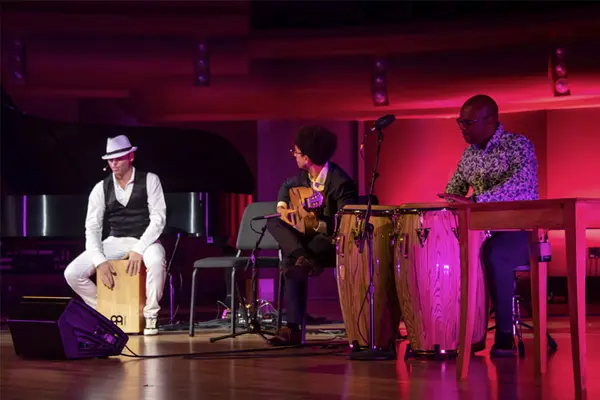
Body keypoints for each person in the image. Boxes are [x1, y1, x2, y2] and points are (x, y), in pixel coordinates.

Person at [439, 94, 539, 356]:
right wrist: (449, 201)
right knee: (445, 251)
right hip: (482, 230)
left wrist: (474, 201)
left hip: (520, 231)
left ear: (491, 120)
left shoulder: (518, 145)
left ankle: (505, 334)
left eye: (468, 122)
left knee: (494, 253)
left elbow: (520, 187)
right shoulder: (469, 154)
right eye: (459, 122)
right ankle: (459, 332)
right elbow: (455, 187)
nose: (462, 128)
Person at [64, 135, 167, 336]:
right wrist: (100, 261)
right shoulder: (100, 188)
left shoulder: (150, 180)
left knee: (155, 261)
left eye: (118, 158)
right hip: (115, 240)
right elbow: (92, 228)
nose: (114, 163)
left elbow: (158, 219)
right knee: (72, 273)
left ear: (130, 156)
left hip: (145, 239)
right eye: (110, 160)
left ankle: (151, 316)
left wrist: (139, 249)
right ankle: (106, 310)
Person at [266, 125, 358, 346]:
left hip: (331, 241)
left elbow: (346, 224)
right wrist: (282, 206)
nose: (294, 156)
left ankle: (293, 329)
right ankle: (303, 259)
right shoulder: (303, 177)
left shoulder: (340, 183)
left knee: (289, 261)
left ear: (306, 157)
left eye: (296, 152)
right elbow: (285, 186)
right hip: (306, 241)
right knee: (273, 221)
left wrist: (317, 223)